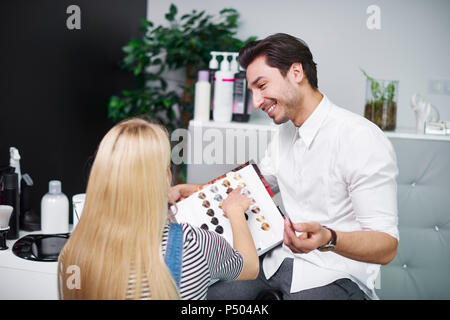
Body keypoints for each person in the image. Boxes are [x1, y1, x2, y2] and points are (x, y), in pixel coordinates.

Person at [207, 33, 399, 300]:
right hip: (278, 262)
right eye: (252, 91)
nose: (256, 102)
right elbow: (255, 187)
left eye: (261, 85)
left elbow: (386, 246)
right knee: (211, 296)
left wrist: (328, 238)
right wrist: (193, 191)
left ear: (296, 71)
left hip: (336, 273)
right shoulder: (284, 134)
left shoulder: (360, 137)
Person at [57, 118, 259, 300]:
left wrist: (161, 199)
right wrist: (234, 211)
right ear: (165, 177)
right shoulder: (193, 244)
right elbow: (249, 267)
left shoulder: (74, 253)